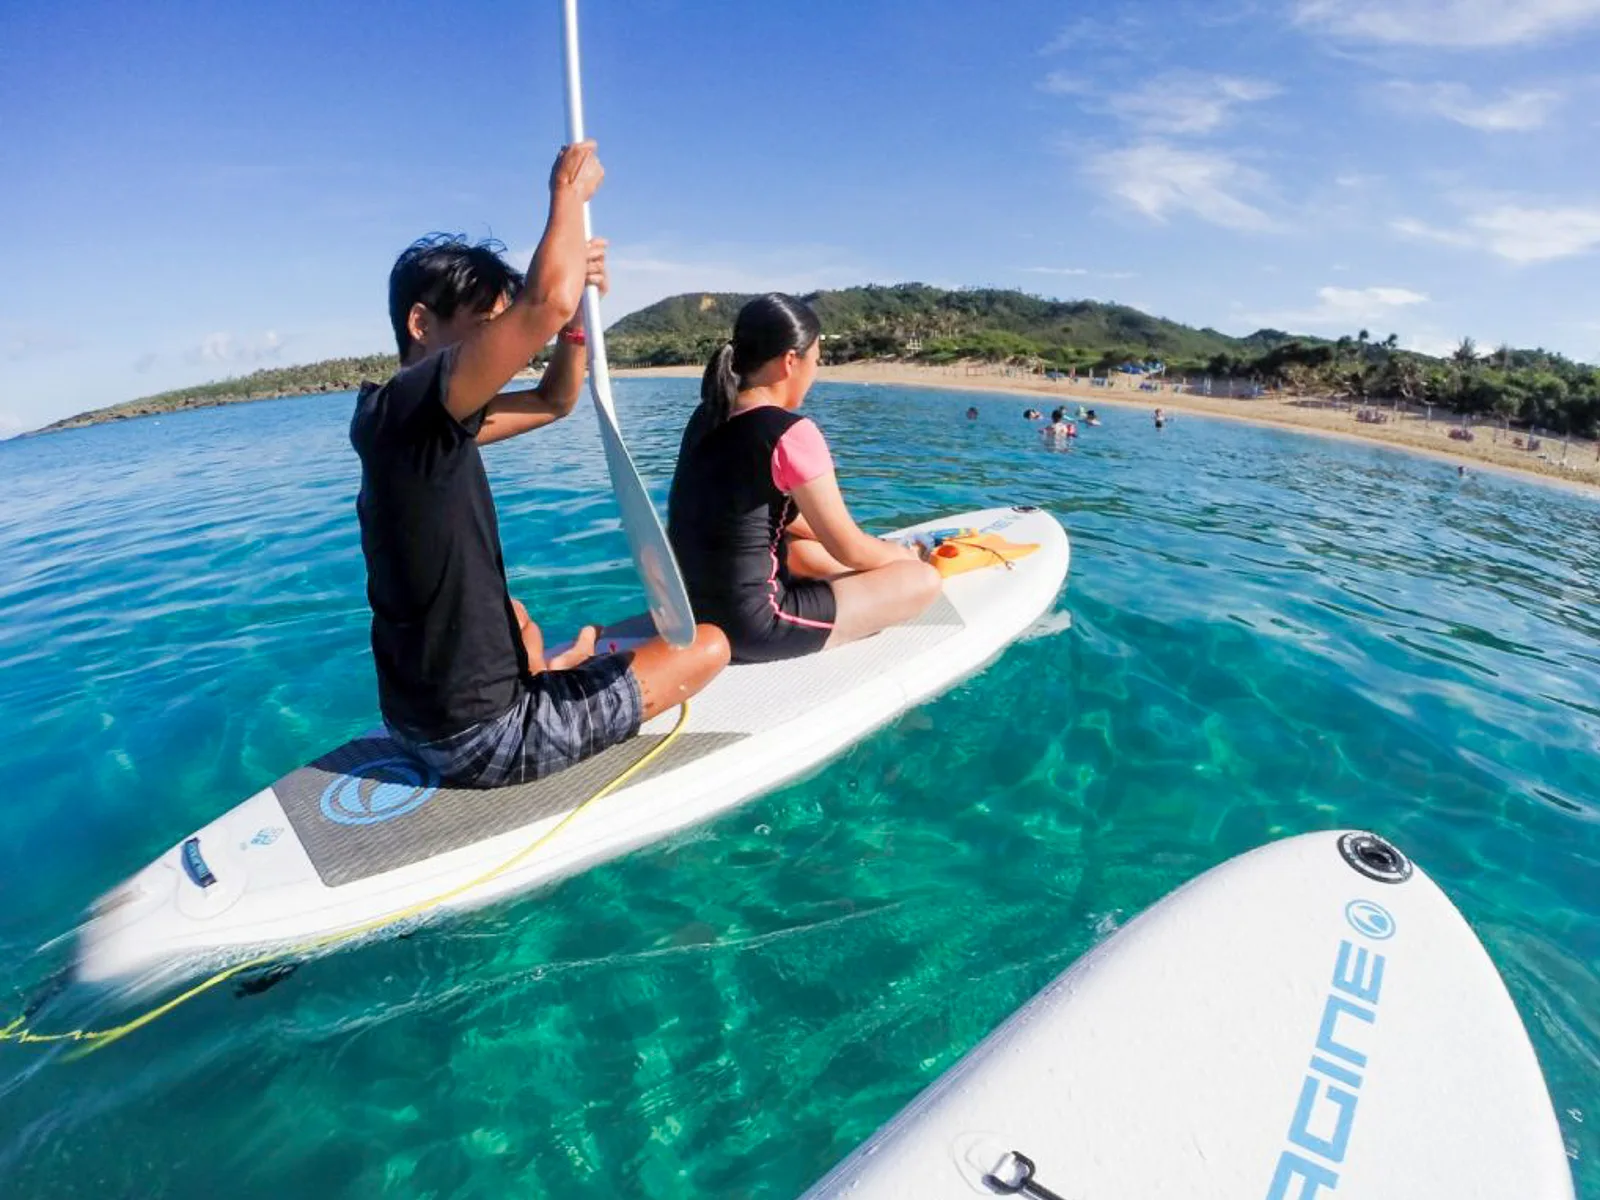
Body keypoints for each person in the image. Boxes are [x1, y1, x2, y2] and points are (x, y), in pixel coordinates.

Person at [350, 142, 729, 788]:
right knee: (710, 646)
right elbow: (543, 304)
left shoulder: (400, 421)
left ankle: (559, 667)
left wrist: (579, 318)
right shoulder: (414, 407)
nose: (503, 349)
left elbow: (556, 399)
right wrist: (566, 195)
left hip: (414, 719)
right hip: (480, 741)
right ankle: (556, 689)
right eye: (487, 329)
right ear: (421, 322)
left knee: (519, 619)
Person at [668, 294, 942, 663]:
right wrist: (903, 555)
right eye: (816, 361)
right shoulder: (790, 432)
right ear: (790, 361)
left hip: (691, 611)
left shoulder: (707, 415)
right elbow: (850, 549)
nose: (816, 372)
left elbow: (762, 516)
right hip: (754, 626)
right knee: (923, 582)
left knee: (799, 546)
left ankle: (851, 585)